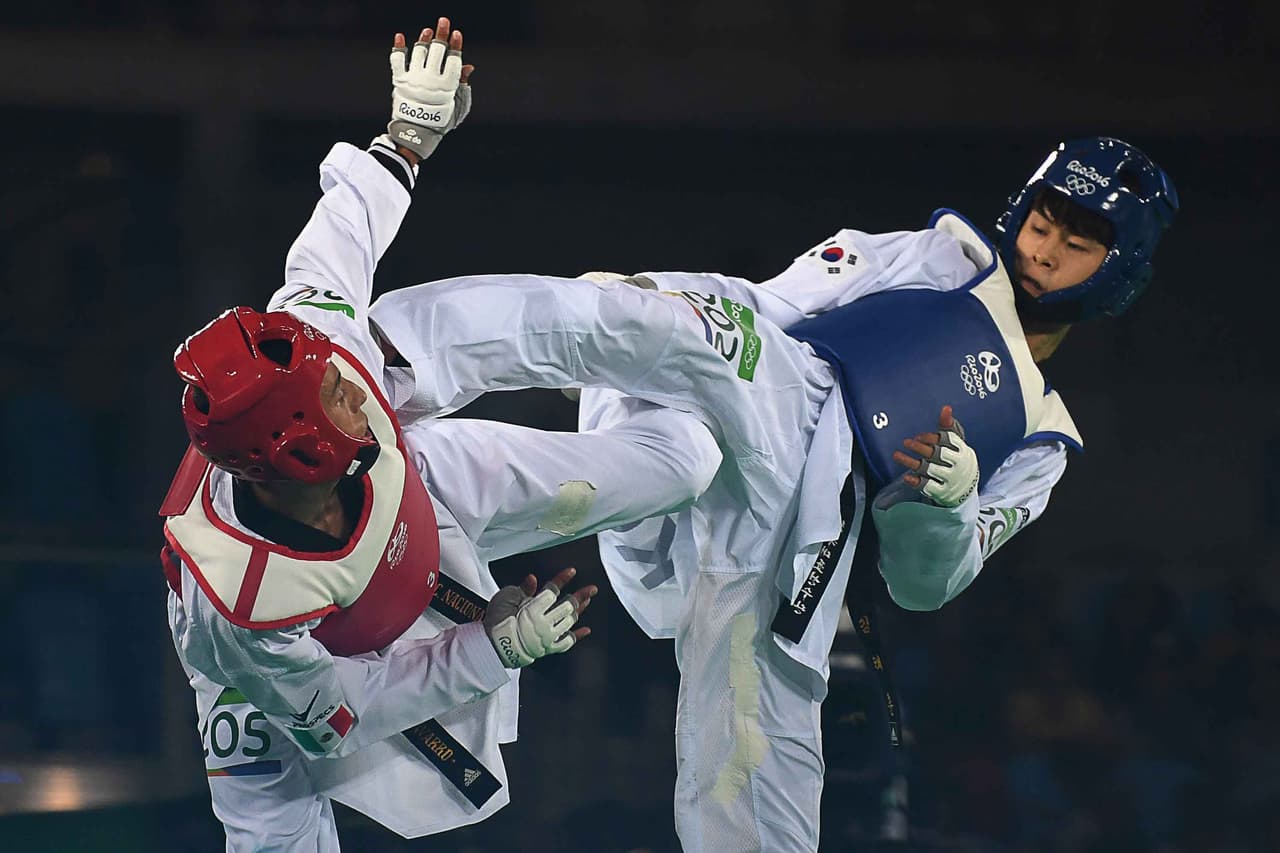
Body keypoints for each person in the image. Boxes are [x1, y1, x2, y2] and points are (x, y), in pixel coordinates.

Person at [366, 136, 1178, 851]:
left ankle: (414, 507)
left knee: (755, 732)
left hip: (816, 521)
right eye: (1044, 222)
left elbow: (926, 584)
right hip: (782, 383)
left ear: (1122, 270)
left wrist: (951, 503)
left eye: (1079, 242)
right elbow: (781, 303)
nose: (1047, 248)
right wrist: (681, 304)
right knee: (620, 313)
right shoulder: (938, 258)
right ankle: (377, 366)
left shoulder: (1041, 437)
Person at [162, 19, 726, 850]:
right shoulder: (243, 610)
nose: (343, 386)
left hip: (416, 480)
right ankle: (611, 370)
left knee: (678, 454)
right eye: (333, 398)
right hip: (295, 676)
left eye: (330, 375)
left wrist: (407, 135)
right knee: (270, 829)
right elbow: (340, 715)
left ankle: (614, 331)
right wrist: (490, 647)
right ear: (301, 448)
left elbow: (336, 241)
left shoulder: (318, 354)